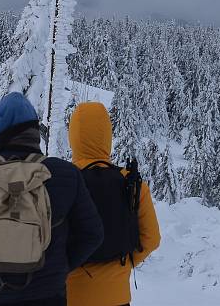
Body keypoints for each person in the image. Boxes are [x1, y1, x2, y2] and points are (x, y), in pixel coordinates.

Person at [0, 92, 104, 306]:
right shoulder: (65, 174)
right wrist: (60, 267)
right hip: (48, 296)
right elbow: (92, 234)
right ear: (34, 131)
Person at [66, 102, 161, 306]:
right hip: (117, 297)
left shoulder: (63, 182)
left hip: (71, 296)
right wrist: (124, 264)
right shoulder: (132, 184)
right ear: (107, 136)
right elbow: (151, 239)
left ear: (73, 137)